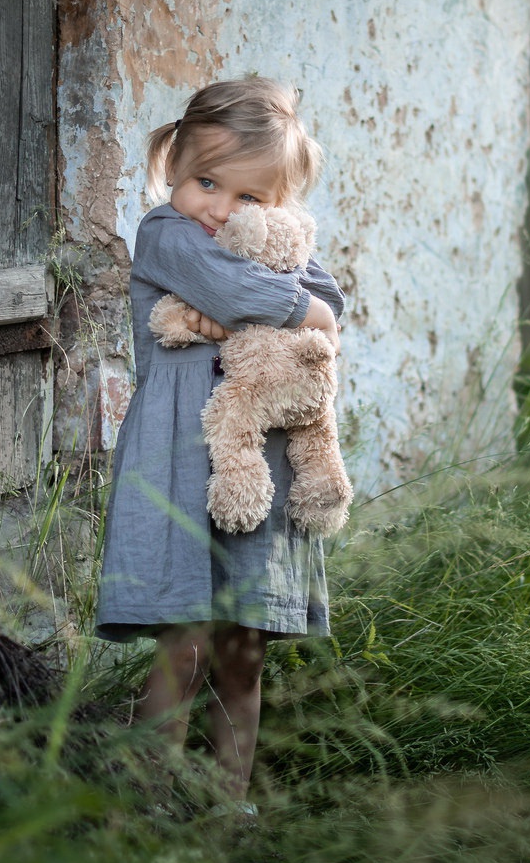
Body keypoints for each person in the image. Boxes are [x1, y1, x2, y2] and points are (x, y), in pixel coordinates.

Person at [94, 77, 346, 806]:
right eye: (207, 181)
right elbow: (253, 297)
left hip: (257, 472)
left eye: (249, 199)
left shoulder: (277, 243)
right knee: (189, 645)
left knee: (243, 653)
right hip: (181, 465)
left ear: (278, 206)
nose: (220, 211)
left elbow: (332, 299)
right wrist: (298, 312)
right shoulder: (165, 235)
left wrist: (310, 308)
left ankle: (226, 810)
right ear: (173, 159)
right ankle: (143, 806)